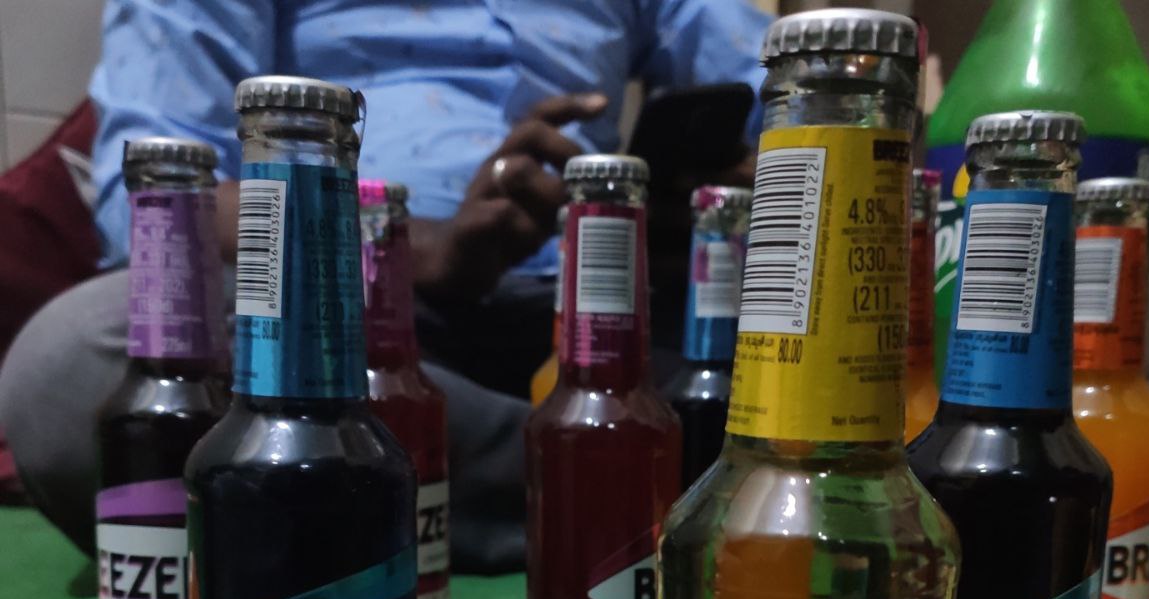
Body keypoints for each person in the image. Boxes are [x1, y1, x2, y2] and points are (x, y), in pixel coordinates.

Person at [0, 0, 768, 570]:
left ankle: (555, 483)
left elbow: (777, 85)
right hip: (338, 325)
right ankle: (625, 485)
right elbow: (152, 200)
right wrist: (411, 248)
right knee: (73, 365)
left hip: (598, 318)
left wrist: (718, 189)